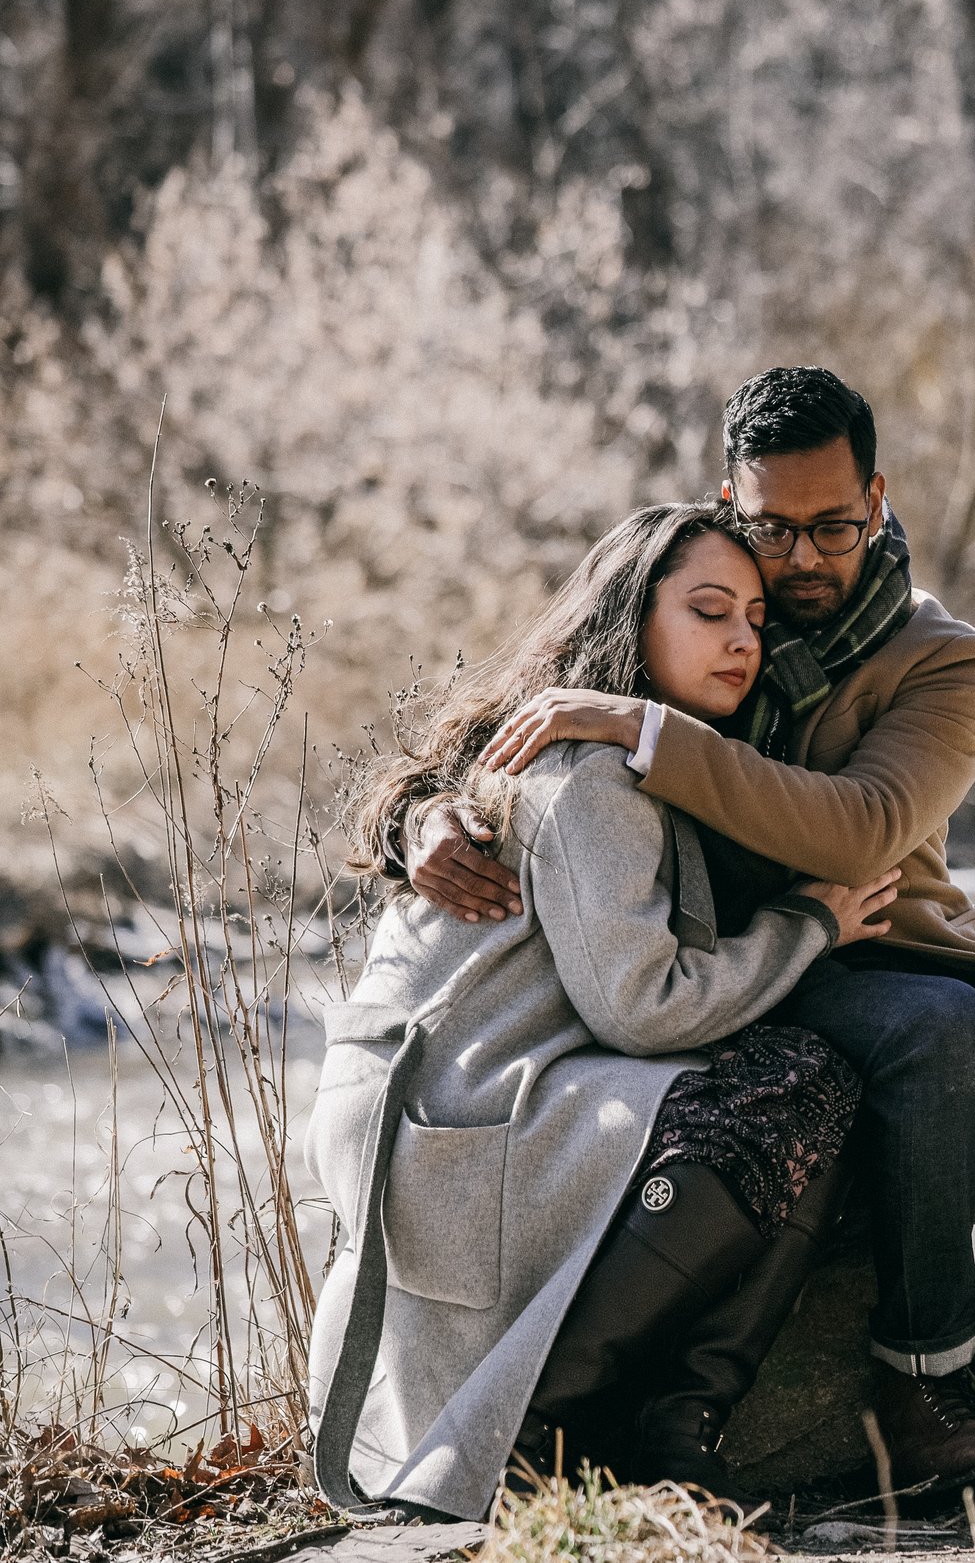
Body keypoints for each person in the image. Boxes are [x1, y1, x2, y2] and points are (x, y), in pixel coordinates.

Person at [409, 367, 975, 1512]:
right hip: (759, 964)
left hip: (913, 947)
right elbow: (505, 727)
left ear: (879, 499)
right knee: (932, 1030)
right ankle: (925, 1384)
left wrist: (652, 734)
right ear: (729, 501)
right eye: (773, 528)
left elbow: (862, 831)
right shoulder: (690, 602)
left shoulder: (947, 660)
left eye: (833, 527)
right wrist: (425, 818)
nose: (799, 560)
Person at [309, 504, 899, 1522]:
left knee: (797, 1082)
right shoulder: (589, 773)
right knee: (789, 1088)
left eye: (755, 620)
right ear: (633, 615)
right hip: (449, 1113)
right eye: (709, 610)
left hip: (461, 1094)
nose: (741, 641)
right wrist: (811, 922)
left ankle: (673, 1432)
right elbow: (646, 1008)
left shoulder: (587, 746)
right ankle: (545, 1433)